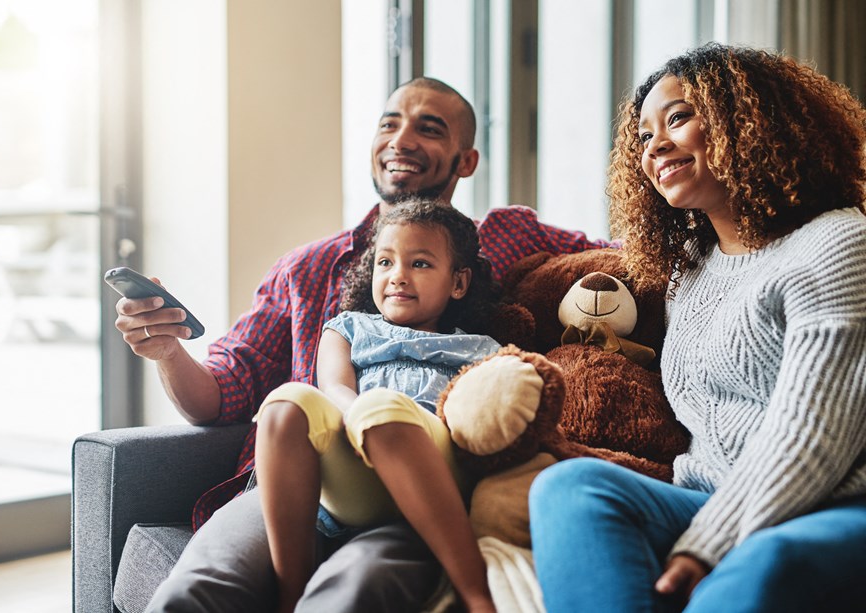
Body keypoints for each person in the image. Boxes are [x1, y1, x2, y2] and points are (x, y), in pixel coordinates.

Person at [118, 77, 609, 612]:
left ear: (466, 161)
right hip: (295, 483)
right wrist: (168, 351)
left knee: (351, 594)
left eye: (429, 129)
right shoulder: (307, 268)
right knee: (193, 594)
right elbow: (219, 394)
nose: (401, 140)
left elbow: (625, 259)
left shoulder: (509, 238)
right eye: (388, 124)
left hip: (417, 484)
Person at [528, 43, 866, 612]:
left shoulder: (839, 242)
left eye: (678, 118)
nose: (654, 146)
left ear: (750, 122)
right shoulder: (691, 266)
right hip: (709, 500)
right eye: (643, 136)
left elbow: (813, 436)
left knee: (765, 559)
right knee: (568, 488)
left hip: (829, 503)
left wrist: (707, 546)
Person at [257, 199, 501, 612]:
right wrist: (356, 415)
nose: (397, 276)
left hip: (435, 465)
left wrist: (374, 412)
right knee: (285, 405)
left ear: (458, 283)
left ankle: (476, 593)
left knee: (382, 408)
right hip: (355, 466)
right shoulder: (347, 328)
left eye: (419, 264)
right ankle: (290, 596)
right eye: (385, 262)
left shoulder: (481, 348)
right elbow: (333, 386)